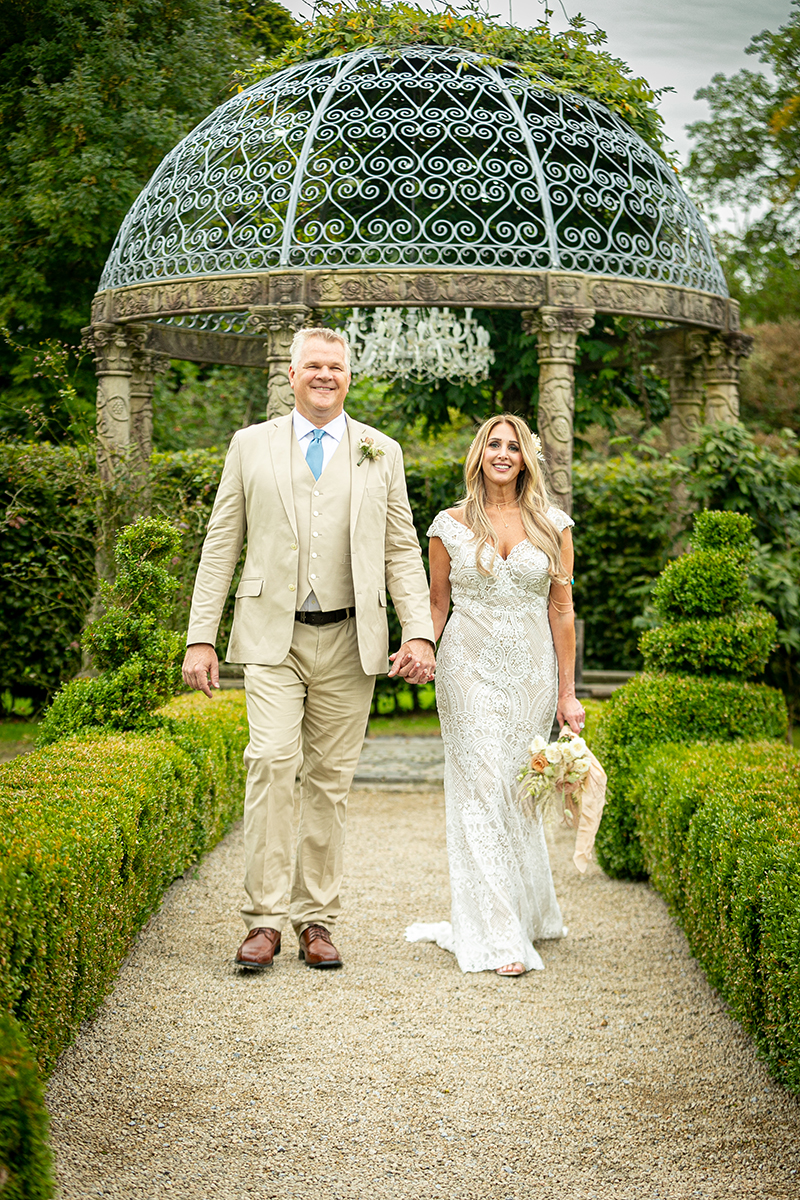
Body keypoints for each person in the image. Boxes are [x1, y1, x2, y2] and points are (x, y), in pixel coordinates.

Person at [182, 327, 435, 971]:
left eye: (338, 367)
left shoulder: (382, 451)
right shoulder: (250, 446)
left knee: (329, 781)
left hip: (353, 638)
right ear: (290, 376)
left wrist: (419, 631)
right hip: (273, 635)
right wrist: (201, 636)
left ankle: (315, 919)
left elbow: (402, 549)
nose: (326, 376)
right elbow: (221, 545)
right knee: (269, 761)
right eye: (314, 366)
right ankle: (263, 921)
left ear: (350, 377)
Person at [406, 413, 585, 978]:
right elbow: (437, 605)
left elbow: (561, 610)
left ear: (526, 457)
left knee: (516, 792)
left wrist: (567, 692)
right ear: (479, 454)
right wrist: (421, 646)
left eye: (513, 446)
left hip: (531, 673)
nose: (503, 453)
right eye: (493, 444)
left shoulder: (553, 525)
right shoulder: (448, 525)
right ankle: (501, 936)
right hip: (468, 668)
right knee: (480, 789)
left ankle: (528, 911)